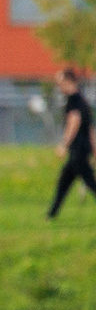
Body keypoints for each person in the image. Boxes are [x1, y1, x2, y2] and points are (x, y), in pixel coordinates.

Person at [51, 68, 96, 220]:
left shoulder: (74, 101)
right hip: (83, 149)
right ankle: (52, 215)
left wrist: (64, 145)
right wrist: (95, 150)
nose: (59, 87)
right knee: (64, 181)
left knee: (90, 182)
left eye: (60, 83)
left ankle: (51, 215)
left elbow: (74, 122)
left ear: (69, 82)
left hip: (78, 150)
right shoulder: (84, 101)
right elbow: (90, 129)